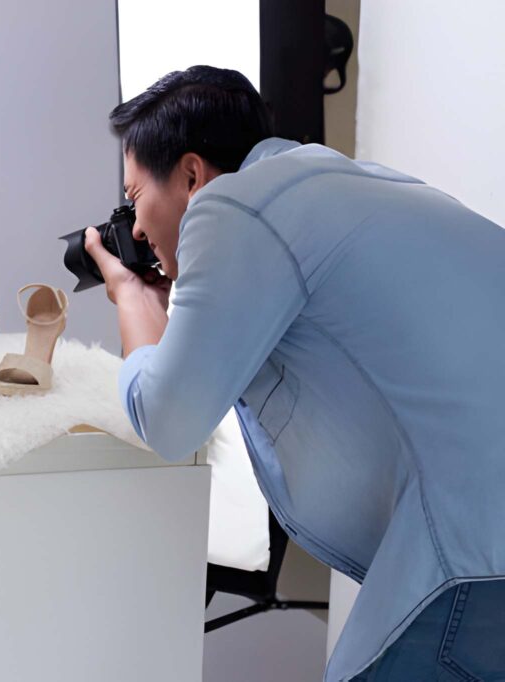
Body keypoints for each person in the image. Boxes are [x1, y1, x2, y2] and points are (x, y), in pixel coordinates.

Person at [83, 65, 505, 681]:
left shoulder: (232, 206)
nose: (137, 228)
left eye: (134, 198)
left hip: (473, 554)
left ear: (192, 174)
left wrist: (134, 303)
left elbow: (169, 419)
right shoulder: (373, 186)